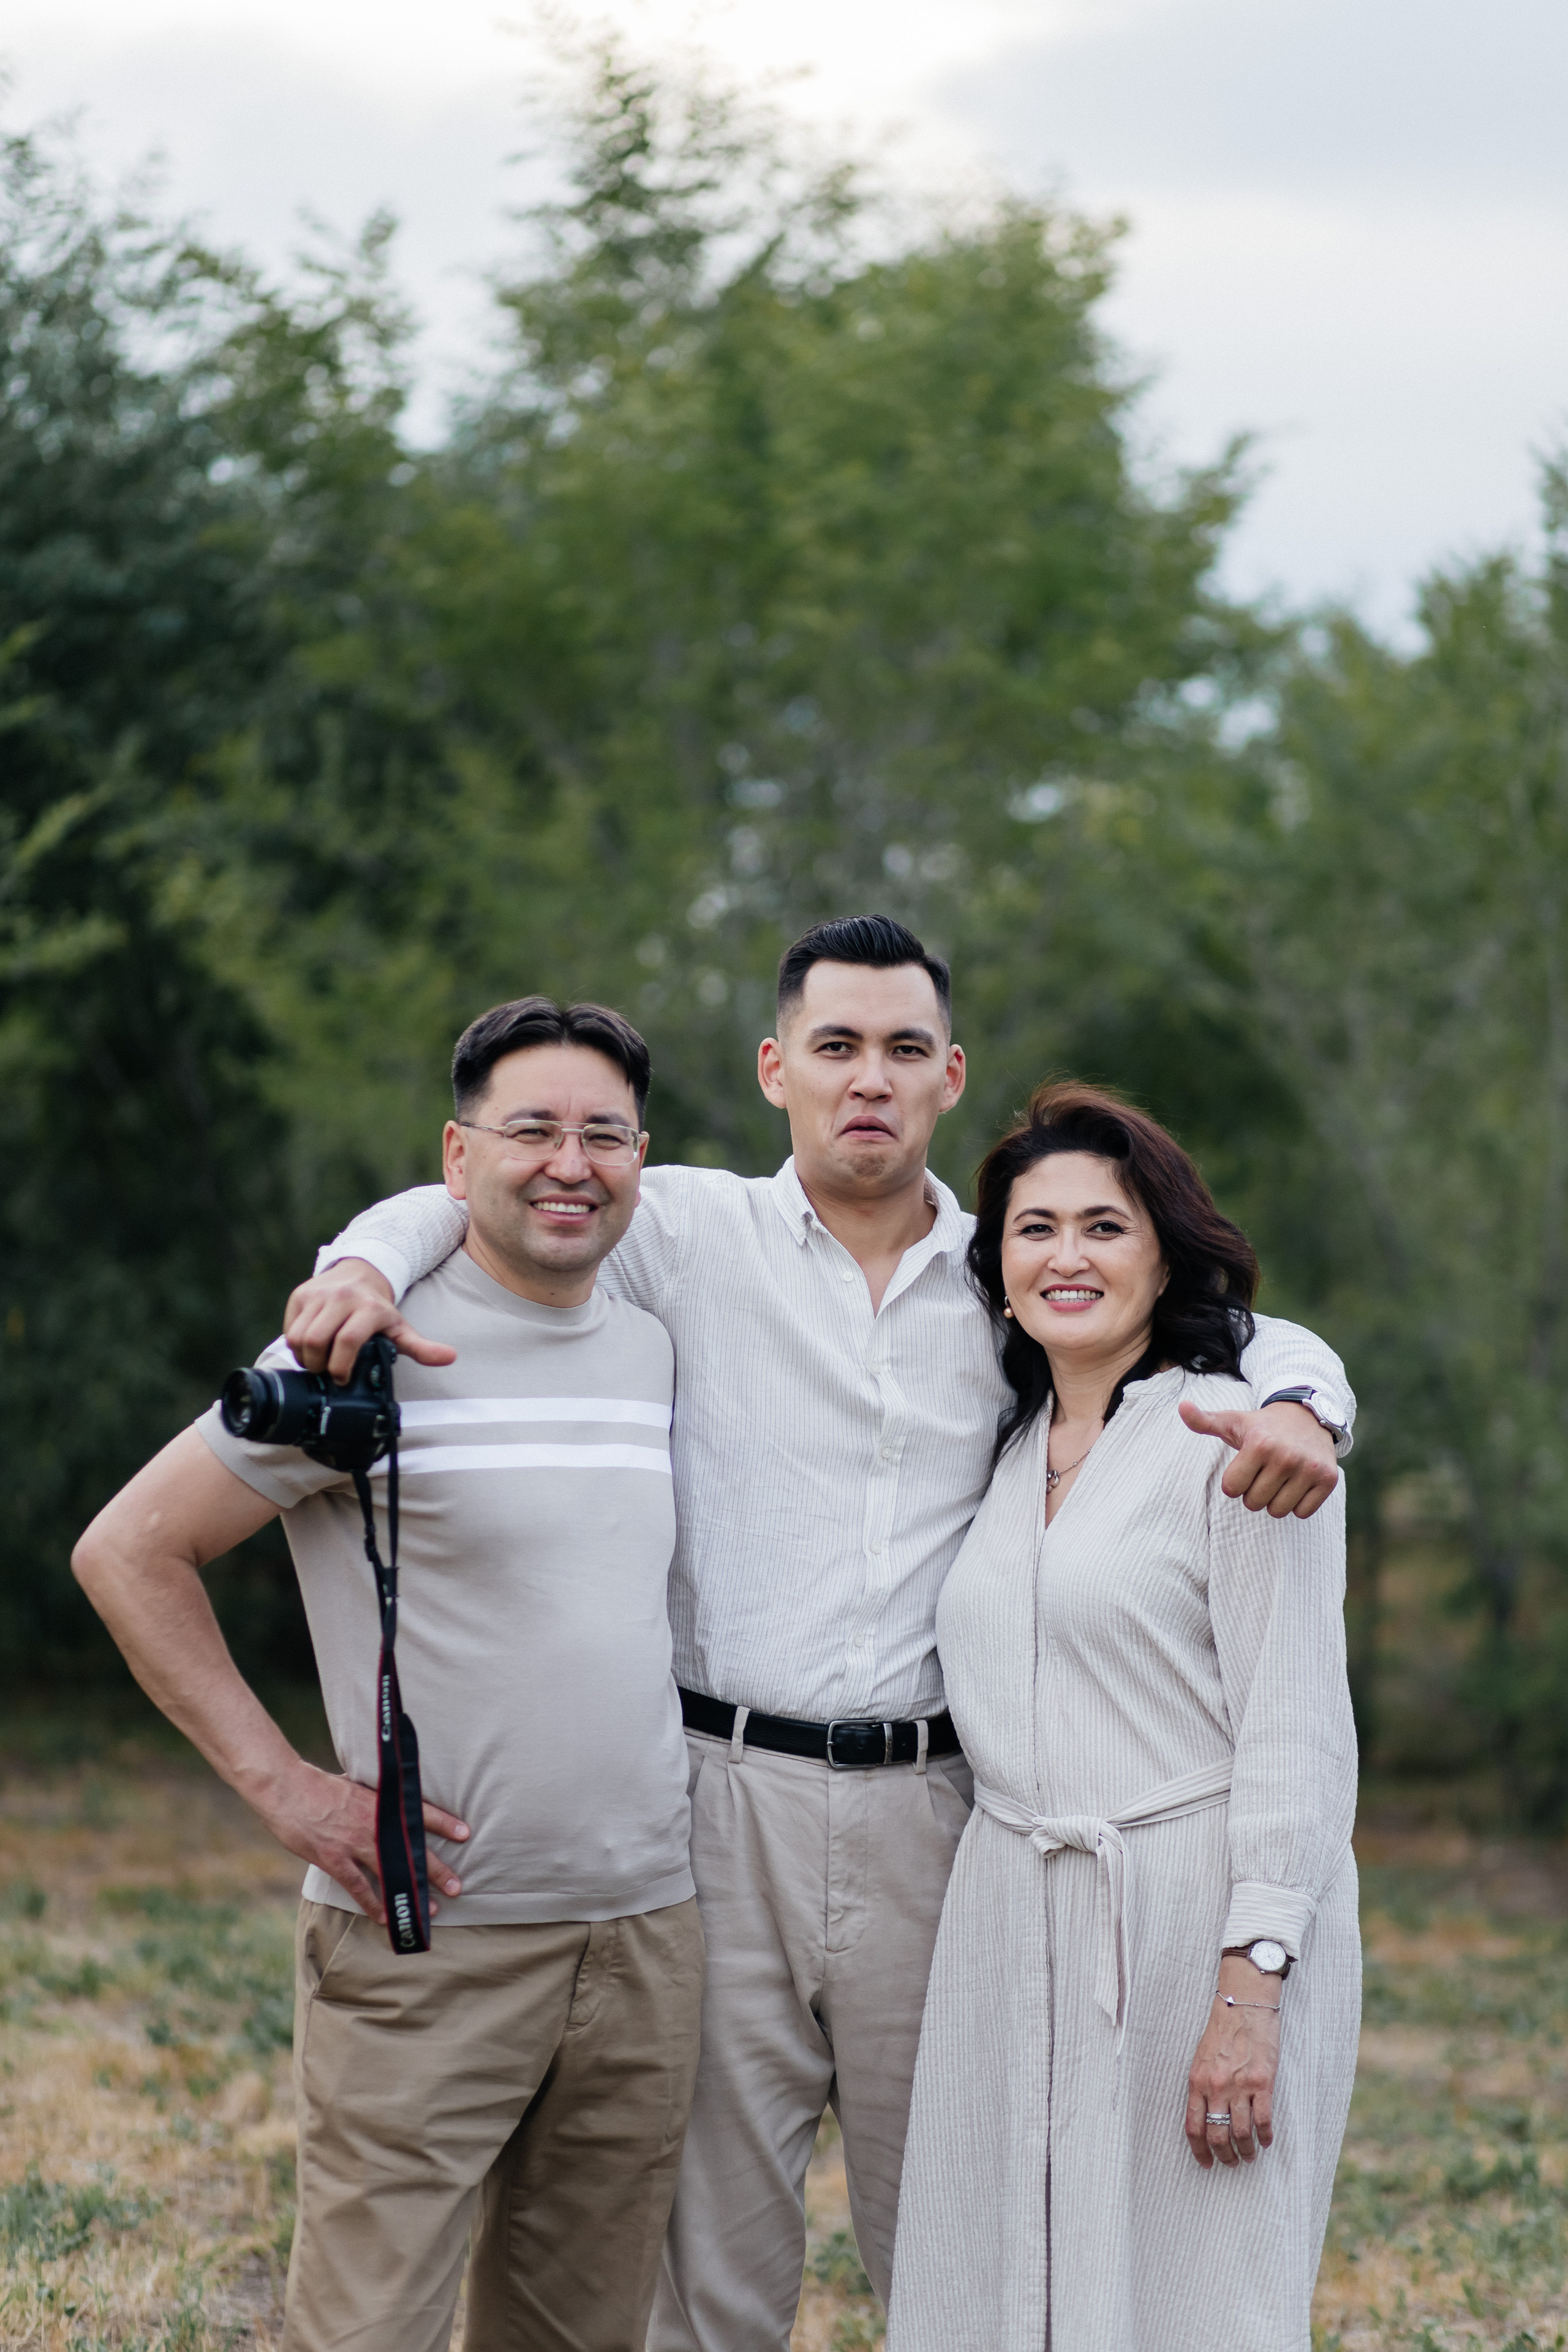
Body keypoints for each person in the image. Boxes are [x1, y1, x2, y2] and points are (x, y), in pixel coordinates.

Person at [285, 916, 1356, 2352]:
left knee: (972, 2237)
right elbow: (477, 1187)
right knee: (708, 2263)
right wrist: (359, 1263)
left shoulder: (1011, 1273)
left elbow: (1234, 1325)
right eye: (836, 1046)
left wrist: (1308, 1400)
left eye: (903, 1050)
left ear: (949, 1075)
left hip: (943, 1819)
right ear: (775, 1065)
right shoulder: (680, 1233)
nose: (869, 1078)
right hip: (718, 1805)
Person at [71, 997, 704, 2352]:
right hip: (428, 1943)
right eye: (530, 1129)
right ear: (455, 1152)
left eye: (604, 1134)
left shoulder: (656, 1343)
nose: (569, 1163)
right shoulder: (358, 1358)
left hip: (645, 1935)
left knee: (580, 2333)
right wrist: (286, 1790)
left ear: (641, 1159)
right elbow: (129, 1552)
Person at [886, 1083, 1360, 2352]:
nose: (1067, 1255)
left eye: (1103, 1225)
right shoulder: (1001, 1450)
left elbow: (1295, 1730)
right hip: (1008, 1917)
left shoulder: (1240, 1441)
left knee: (1196, 2295)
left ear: (1162, 1251)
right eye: (1033, 1229)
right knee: (994, 2285)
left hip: (1188, 1916)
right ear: (995, 1270)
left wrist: (1249, 1985)